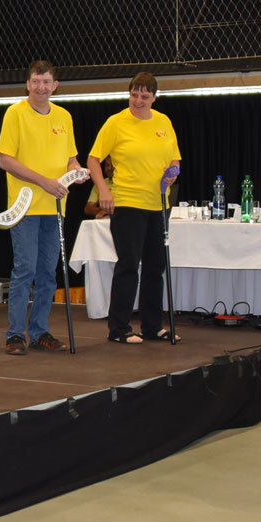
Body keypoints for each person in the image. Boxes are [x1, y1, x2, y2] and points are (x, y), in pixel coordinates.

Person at [87, 72, 181, 344]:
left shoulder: (163, 121)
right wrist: (104, 190)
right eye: (134, 94)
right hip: (127, 202)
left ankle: (152, 326)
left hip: (158, 204)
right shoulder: (116, 123)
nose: (138, 100)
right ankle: (119, 329)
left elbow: (174, 158)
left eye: (145, 95)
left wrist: (173, 172)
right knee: (128, 264)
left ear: (154, 97)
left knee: (155, 266)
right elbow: (94, 160)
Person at [0, 60, 82, 356]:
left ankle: (40, 331)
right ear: (28, 84)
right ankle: (14, 334)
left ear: (55, 85)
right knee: (25, 269)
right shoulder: (15, 113)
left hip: (56, 205)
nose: (41, 87)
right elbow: (5, 160)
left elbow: (71, 157)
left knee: (48, 272)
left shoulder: (64, 116)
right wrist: (43, 181)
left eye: (46, 82)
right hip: (25, 207)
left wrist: (76, 169)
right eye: (36, 81)